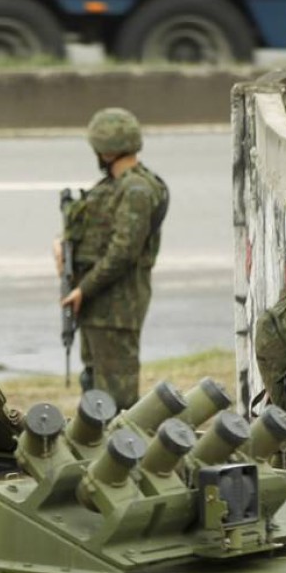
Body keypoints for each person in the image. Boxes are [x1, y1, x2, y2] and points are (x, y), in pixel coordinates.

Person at [56, 108, 169, 410]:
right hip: (100, 307)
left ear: (105, 151)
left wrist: (84, 289)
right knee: (94, 388)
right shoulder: (113, 187)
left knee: (115, 401)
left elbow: (123, 252)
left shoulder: (136, 189)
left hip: (117, 309)